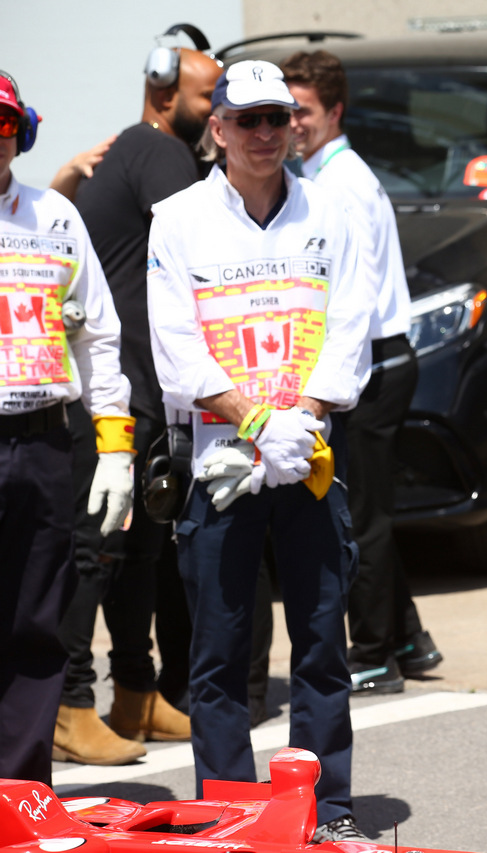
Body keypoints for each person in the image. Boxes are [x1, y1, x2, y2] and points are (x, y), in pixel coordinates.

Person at [146, 59, 373, 842]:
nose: (267, 134)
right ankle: (231, 816)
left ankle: (327, 809)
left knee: (320, 643)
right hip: (220, 462)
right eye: (249, 120)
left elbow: (351, 327)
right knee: (219, 656)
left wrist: (298, 420)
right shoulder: (177, 219)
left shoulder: (331, 211)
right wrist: (254, 423)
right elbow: (175, 350)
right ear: (218, 129)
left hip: (307, 456)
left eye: (277, 118)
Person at [48, 44, 223, 768]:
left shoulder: (137, 150)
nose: (221, 114)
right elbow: (209, 236)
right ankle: (68, 702)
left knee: (141, 554)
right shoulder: (158, 151)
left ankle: (136, 693)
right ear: (163, 94)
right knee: (97, 553)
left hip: (143, 387)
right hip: (119, 392)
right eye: (210, 97)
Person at [281, 49, 442, 695]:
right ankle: (408, 637)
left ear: (334, 112)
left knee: (359, 518)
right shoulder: (333, 173)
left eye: (303, 112)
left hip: (371, 364)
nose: (290, 123)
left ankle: (374, 653)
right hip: (380, 359)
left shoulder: (338, 185)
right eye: (285, 110)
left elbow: (351, 291)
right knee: (368, 507)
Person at [0, 69, 134, 784]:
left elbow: (100, 336)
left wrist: (116, 448)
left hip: (45, 439)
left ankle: (21, 790)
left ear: (20, 133)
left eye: (0, 127)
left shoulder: (54, 217)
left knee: (35, 620)